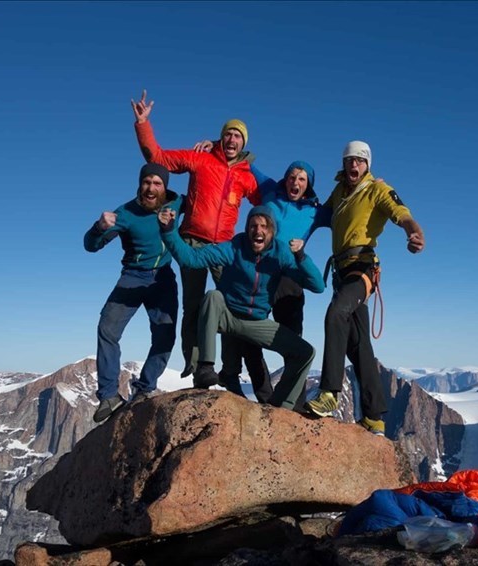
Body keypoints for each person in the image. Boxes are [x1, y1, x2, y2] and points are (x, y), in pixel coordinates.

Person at [131, 90, 263, 385]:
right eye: (228, 134)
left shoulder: (246, 176)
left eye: (237, 136)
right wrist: (142, 124)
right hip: (191, 241)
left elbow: (267, 203)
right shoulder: (201, 159)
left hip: (224, 248)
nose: (232, 139)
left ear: (243, 143)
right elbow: (159, 158)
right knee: (192, 305)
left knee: (230, 306)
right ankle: (196, 368)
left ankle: (230, 369)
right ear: (221, 138)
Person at [304, 141, 425, 436]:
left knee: (336, 313)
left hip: (362, 268)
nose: (354, 165)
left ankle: (329, 392)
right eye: (349, 160)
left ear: (367, 165)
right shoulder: (340, 192)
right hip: (342, 271)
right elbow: (321, 213)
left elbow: (401, 213)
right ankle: (373, 417)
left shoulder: (377, 190)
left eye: (359, 161)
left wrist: (414, 233)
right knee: (358, 345)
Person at [158, 205, 326, 409]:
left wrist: (301, 256)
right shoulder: (235, 247)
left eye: (264, 226)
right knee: (213, 297)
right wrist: (169, 231)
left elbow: (318, 286)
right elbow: (191, 259)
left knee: (305, 352)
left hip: (257, 323)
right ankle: (205, 367)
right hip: (228, 315)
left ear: (272, 231)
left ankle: (282, 406)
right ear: (247, 229)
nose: (258, 230)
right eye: (253, 225)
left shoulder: (280, 253)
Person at [84, 163, 182, 424]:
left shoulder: (177, 204)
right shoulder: (125, 213)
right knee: (107, 328)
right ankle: (108, 396)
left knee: (165, 335)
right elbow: (90, 246)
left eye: (157, 183)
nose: (151, 188)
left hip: (162, 278)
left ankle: (144, 389)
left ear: (165, 187)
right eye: (146, 182)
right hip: (132, 276)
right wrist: (99, 227)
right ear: (140, 184)